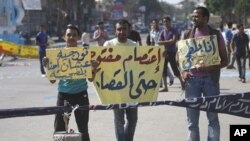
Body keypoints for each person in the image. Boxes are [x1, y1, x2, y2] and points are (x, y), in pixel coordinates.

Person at [179, 6, 228, 141]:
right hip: (192, 82)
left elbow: (225, 60)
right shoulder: (186, 34)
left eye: (197, 16)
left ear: (205, 18)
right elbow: (179, 58)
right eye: (193, 16)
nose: (194, 19)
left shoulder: (216, 35)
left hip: (211, 81)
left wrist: (211, 65)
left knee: (212, 118)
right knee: (191, 121)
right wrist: (183, 72)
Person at [44, 24, 91, 141]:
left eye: (74, 35)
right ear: (64, 37)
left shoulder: (84, 54)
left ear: (78, 37)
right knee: (59, 130)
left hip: (81, 95)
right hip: (63, 96)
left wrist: (93, 67)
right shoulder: (57, 55)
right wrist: (47, 66)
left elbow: (90, 79)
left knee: (83, 130)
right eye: (69, 35)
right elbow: (52, 80)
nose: (71, 37)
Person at [103, 19, 138, 141]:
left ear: (129, 30)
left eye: (124, 29)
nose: (121, 31)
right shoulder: (108, 45)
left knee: (133, 120)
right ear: (115, 30)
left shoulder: (134, 45)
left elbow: (142, 65)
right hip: (115, 89)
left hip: (132, 89)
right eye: (119, 29)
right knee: (119, 121)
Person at [158, 17, 184, 92]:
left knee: (175, 69)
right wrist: (167, 41)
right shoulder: (162, 31)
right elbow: (158, 41)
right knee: (163, 70)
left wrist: (164, 42)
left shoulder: (173, 30)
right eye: (164, 22)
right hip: (164, 53)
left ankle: (182, 83)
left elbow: (173, 41)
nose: (166, 23)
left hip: (172, 52)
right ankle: (165, 87)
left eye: (167, 21)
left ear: (170, 22)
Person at [146, 18, 174, 87]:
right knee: (159, 66)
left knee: (163, 66)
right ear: (152, 24)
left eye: (157, 23)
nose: (155, 24)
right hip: (155, 50)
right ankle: (162, 82)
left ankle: (169, 78)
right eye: (154, 23)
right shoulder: (151, 32)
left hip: (162, 49)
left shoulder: (162, 31)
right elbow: (152, 42)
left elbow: (165, 40)